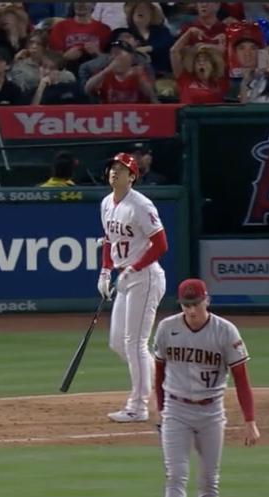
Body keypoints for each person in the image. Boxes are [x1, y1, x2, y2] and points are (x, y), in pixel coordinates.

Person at [151, 277, 260, 497]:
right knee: (175, 474)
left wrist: (250, 420)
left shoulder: (225, 332)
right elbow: (158, 374)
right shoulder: (166, 328)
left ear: (206, 300)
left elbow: (241, 380)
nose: (191, 311)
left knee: (209, 480)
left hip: (211, 412)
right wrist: (160, 409)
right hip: (176, 409)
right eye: (186, 305)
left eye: (196, 304)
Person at [97, 152, 168, 423]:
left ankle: (137, 407)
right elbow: (108, 239)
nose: (115, 172)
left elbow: (161, 245)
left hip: (145, 278)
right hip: (125, 278)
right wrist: (105, 272)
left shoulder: (141, 205)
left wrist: (133, 268)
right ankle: (161, 382)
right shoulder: (106, 203)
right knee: (118, 342)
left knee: (135, 343)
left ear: (132, 176)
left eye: (121, 168)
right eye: (112, 168)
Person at [85, 39, 157, 103]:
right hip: (110, 114)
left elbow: (151, 95)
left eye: (117, 53)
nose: (113, 57)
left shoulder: (140, 71)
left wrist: (140, 79)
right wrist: (106, 70)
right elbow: (88, 89)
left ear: (131, 56)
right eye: (111, 54)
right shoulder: (104, 74)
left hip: (136, 114)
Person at [171, 36, 228, 104]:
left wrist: (208, 46)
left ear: (213, 65)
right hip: (190, 114)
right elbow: (174, 51)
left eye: (205, 60)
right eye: (198, 61)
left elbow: (227, 54)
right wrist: (189, 32)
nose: (201, 63)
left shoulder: (220, 82)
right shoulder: (186, 79)